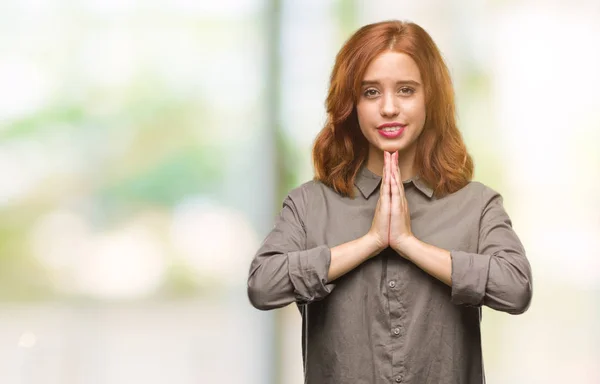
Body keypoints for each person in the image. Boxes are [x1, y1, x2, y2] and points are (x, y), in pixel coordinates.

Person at [247, 19, 532, 384]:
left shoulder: (476, 205)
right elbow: (262, 285)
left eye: (406, 90)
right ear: (351, 104)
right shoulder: (309, 204)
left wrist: (409, 244)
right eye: (370, 92)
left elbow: (516, 289)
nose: (389, 108)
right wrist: (370, 242)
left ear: (431, 98)